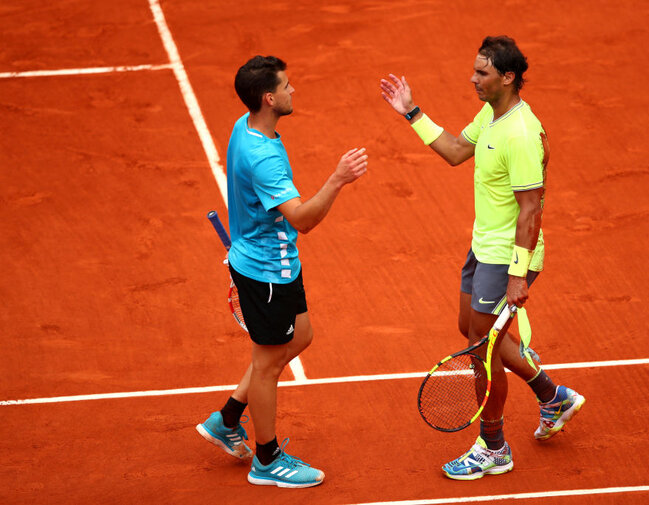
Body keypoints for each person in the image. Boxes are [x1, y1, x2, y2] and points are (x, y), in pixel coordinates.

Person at [380, 35, 585, 480]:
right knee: (470, 330)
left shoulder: (521, 135)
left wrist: (518, 275)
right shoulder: (493, 115)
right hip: (483, 246)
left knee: (482, 349)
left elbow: (532, 208)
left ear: (507, 77)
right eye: (475, 70)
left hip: (508, 256)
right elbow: (456, 151)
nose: (473, 79)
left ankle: (494, 447)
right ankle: (554, 396)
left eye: (482, 72)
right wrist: (413, 114)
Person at [196, 55, 367, 488]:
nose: (294, 91)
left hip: (275, 264)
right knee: (268, 365)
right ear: (269, 98)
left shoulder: (245, 125)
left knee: (302, 335)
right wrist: (338, 179)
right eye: (287, 86)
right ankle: (267, 460)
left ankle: (227, 419)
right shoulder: (264, 158)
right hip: (267, 271)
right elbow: (303, 220)